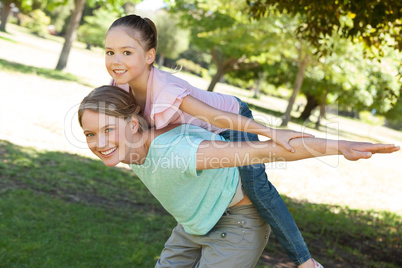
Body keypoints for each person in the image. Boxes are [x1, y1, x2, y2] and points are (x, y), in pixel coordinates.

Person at [78, 86, 399, 267]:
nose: (100, 143)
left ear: (134, 125)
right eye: (90, 134)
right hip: (192, 225)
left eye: (108, 130)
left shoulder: (177, 152)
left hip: (237, 225)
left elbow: (269, 151)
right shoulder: (128, 146)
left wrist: (342, 146)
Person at [104, 14, 319, 267]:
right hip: (198, 136)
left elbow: (217, 117)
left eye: (126, 52)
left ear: (149, 56)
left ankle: (306, 261)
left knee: (256, 187)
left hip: (230, 120)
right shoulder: (119, 87)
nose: (116, 61)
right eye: (109, 52)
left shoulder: (165, 89)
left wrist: (272, 132)